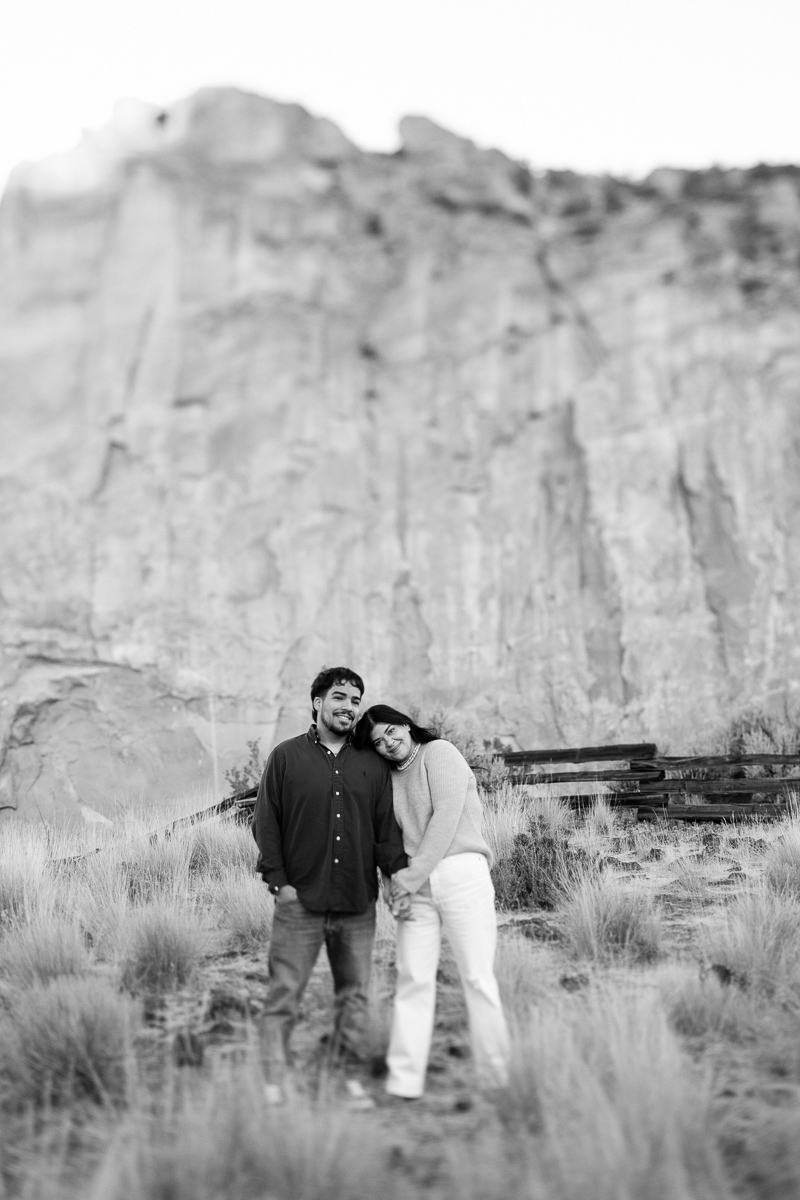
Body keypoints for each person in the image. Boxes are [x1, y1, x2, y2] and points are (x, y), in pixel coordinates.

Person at [252, 668, 408, 1100]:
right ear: (318, 702)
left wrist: (393, 880)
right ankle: (273, 1083)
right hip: (299, 901)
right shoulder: (285, 757)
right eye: (340, 697)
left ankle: (347, 1079)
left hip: (357, 902)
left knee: (354, 997)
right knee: (284, 994)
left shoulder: (372, 763)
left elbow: (385, 831)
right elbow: (266, 823)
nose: (349, 707)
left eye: (356, 700)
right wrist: (281, 886)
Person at [353, 704, 510, 1100]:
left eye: (391, 731)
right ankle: (404, 1082)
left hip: (461, 874)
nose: (389, 743)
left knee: (477, 977)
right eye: (378, 742)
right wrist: (393, 885)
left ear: (405, 725)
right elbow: (386, 836)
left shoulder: (439, 753)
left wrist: (406, 880)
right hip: (415, 887)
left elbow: (446, 819)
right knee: (413, 980)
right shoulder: (388, 779)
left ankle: (496, 1078)